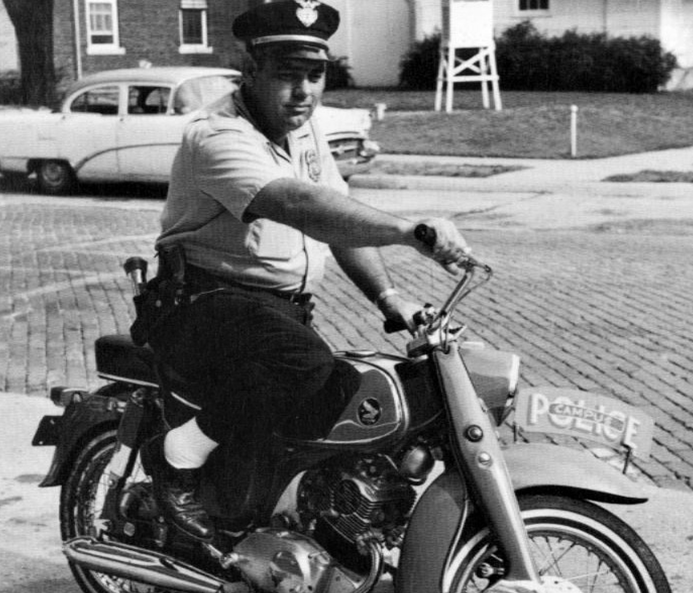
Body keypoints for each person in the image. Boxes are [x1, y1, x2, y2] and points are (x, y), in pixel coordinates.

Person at [142, 0, 474, 543]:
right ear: (250, 72)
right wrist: (410, 231)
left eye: (314, 76)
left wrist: (391, 299)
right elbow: (297, 204)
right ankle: (176, 457)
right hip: (203, 303)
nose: (303, 92)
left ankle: (302, 527)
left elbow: (336, 219)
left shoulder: (304, 131)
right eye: (286, 76)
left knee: (347, 391)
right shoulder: (215, 135)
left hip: (274, 312)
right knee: (303, 365)